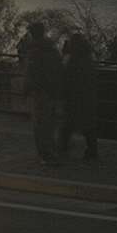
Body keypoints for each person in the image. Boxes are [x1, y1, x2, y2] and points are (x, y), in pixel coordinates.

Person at [24, 19, 65, 165]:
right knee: (50, 123)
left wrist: (27, 88)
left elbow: (31, 72)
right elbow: (60, 68)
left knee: (40, 124)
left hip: (39, 92)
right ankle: (51, 150)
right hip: (52, 91)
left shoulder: (34, 51)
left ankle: (44, 154)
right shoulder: (52, 49)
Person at [58, 32, 99, 162]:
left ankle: (62, 147)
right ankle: (92, 150)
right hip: (86, 97)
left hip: (74, 97)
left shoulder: (73, 60)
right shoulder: (88, 59)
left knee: (68, 124)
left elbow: (66, 78)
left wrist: (63, 93)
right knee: (87, 125)